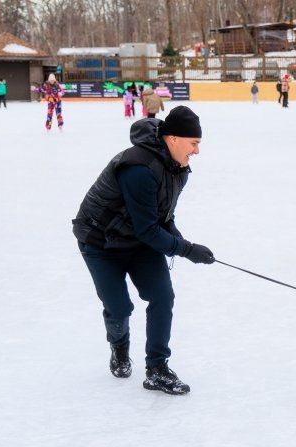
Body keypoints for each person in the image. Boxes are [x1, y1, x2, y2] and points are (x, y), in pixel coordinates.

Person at [72, 106, 215, 395]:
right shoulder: (138, 168)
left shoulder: (178, 169)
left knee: (163, 296)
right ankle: (120, 345)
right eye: (194, 143)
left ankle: (157, 368)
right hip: (101, 243)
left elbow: (163, 219)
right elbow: (148, 229)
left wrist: (184, 243)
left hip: (138, 242)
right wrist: (187, 250)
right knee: (120, 308)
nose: (197, 152)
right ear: (172, 139)